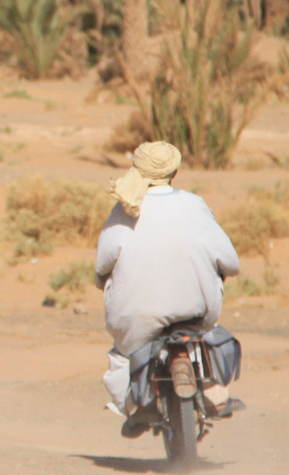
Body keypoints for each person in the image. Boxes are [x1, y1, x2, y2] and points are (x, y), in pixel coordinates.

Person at [94, 141, 241, 437]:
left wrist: (106, 282)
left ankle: (135, 407)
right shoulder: (194, 204)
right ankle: (214, 392)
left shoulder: (124, 209)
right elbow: (231, 263)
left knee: (123, 355)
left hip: (138, 317)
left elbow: (102, 266)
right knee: (209, 331)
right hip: (199, 309)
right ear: (175, 171)